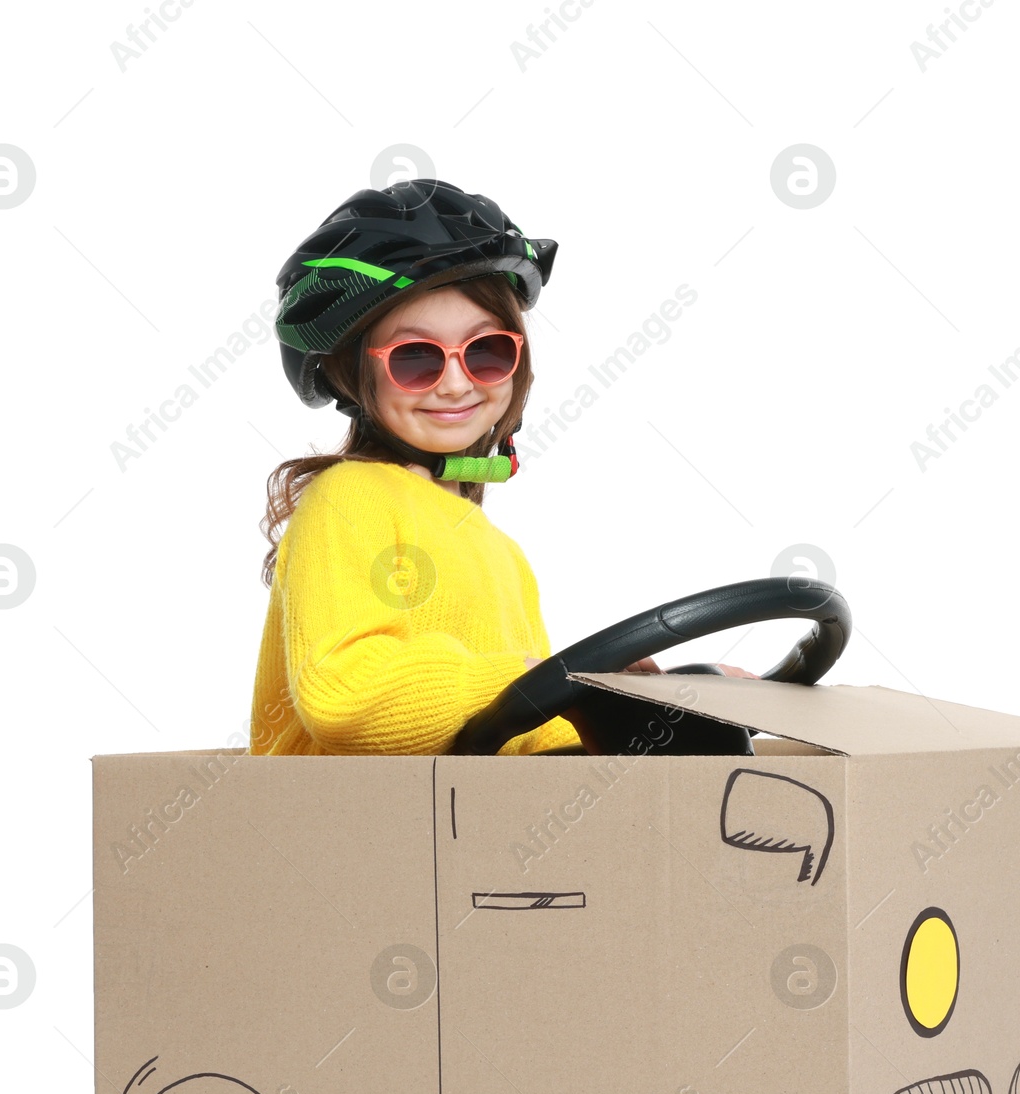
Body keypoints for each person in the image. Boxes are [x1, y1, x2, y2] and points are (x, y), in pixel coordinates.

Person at [249, 179, 752, 758]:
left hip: (451, 832)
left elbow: (511, 738)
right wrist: (537, 676)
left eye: (486, 351)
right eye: (416, 359)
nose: (458, 383)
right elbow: (346, 700)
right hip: (336, 838)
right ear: (349, 375)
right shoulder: (350, 497)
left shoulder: (501, 553)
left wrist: (631, 700)